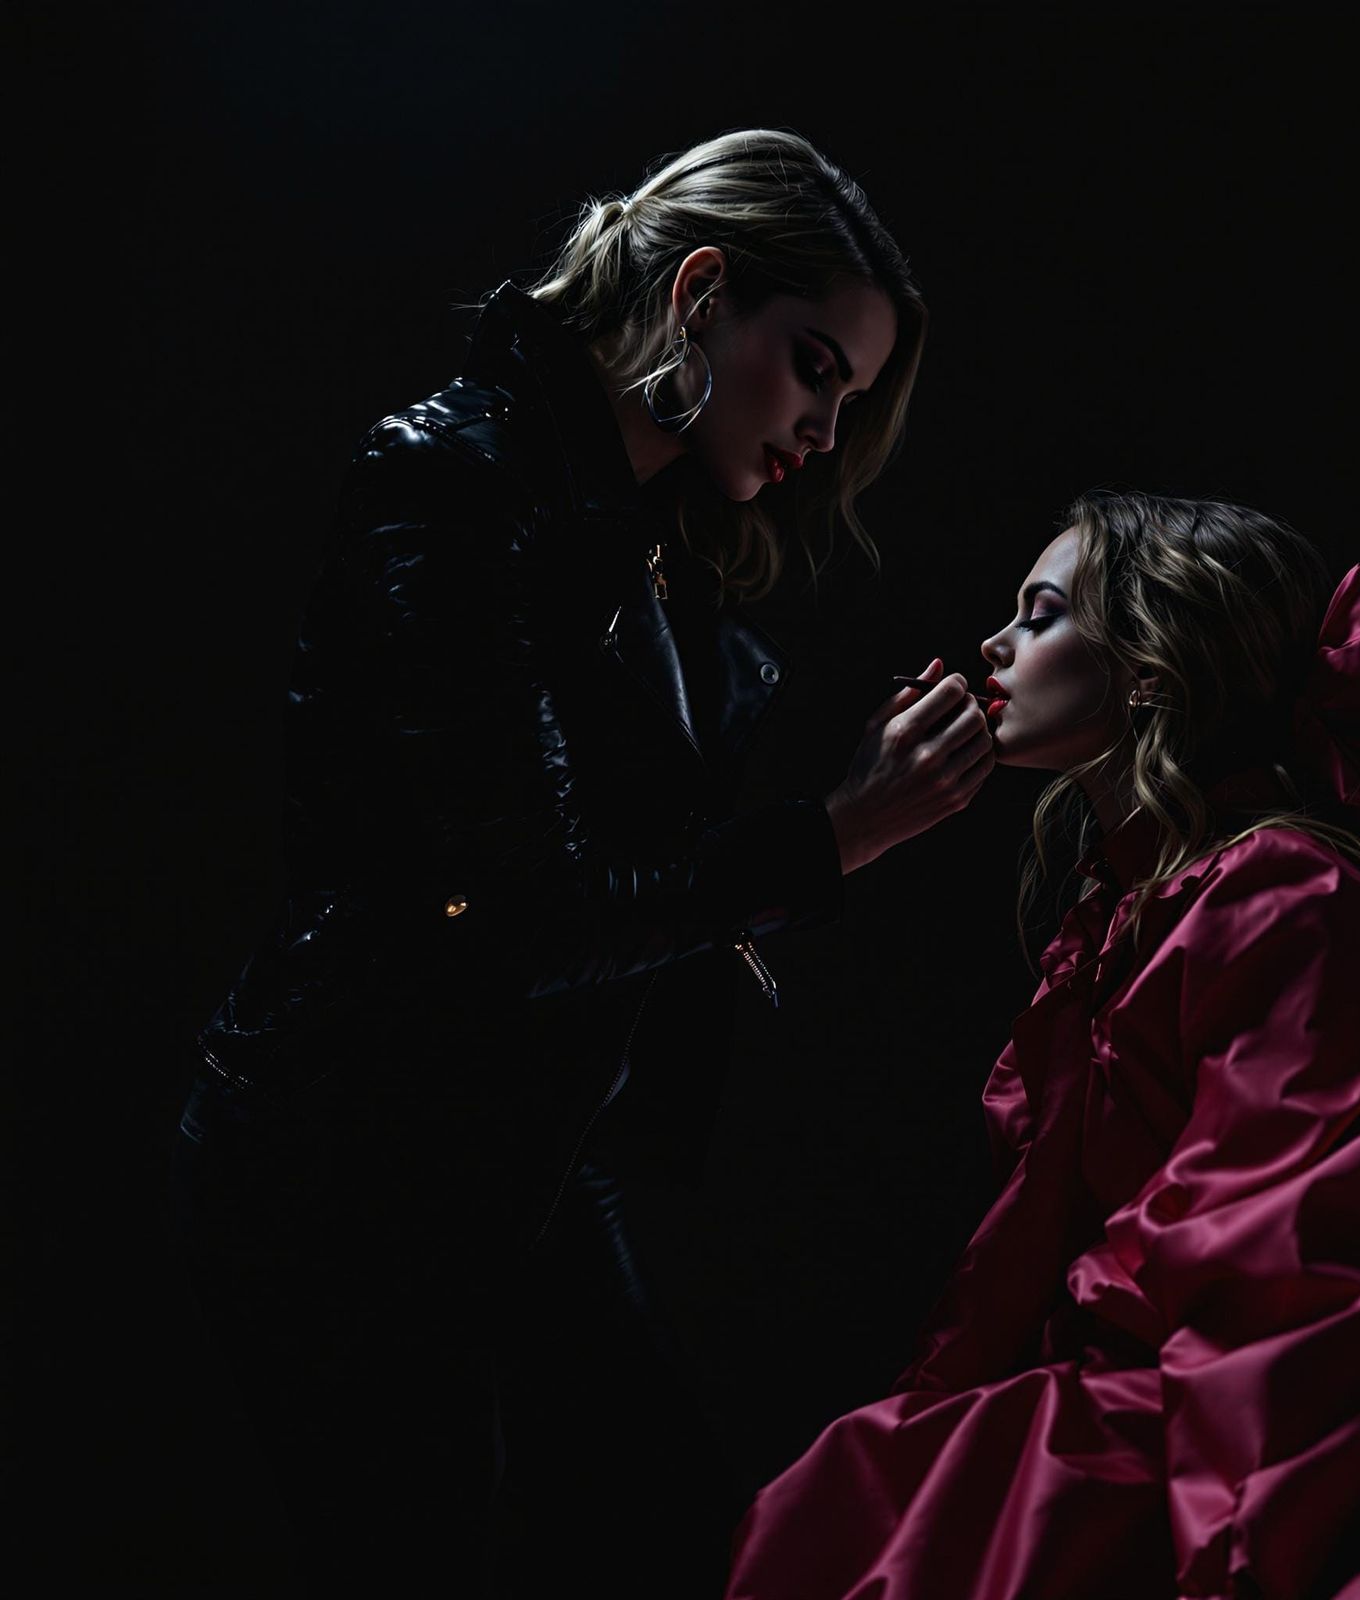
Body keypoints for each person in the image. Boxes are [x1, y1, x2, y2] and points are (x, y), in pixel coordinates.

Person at [169, 128, 996, 1598]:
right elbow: (523, 915)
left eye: (848, 395)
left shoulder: (657, 541)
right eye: (814, 364)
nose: (822, 429)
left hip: (524, 1164)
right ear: (698, 294)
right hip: (348, 1169)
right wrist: (842, 832)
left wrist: (833, 805)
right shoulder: (452, 481)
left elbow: (636, 856)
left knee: (675, 1532)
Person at [725, 490, 1360, 1600]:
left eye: (1039, 614)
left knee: (919, 1507)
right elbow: (1037, 1243)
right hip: (1205, 1350)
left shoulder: (1278, 893)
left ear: (1145, 671)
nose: (994, 644)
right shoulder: (1130, 913)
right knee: (880, 1488)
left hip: (1323, 1375)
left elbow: (1299, 1256)